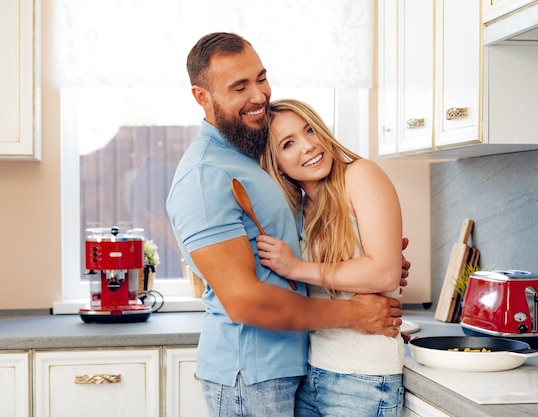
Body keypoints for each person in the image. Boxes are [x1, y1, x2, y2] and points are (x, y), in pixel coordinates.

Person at [166, 32, 408, 417]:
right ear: (202, 97)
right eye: (239, 86)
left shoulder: (249, 158)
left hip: (298, 367)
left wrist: (366, 256)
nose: (259, 95)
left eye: (261, 78)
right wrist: (351, 312)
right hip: (252, 371)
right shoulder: (204, 174)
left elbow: (302, 250)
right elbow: (244, 300)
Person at [257, 99, 404, 416]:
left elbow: (385, 273)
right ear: (277, 163)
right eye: (288, 143)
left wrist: (297, 268)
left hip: (363, 380)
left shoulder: (361, 175)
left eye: (310, 129)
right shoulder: (300, 210)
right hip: (312, 374)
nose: (308, 146)